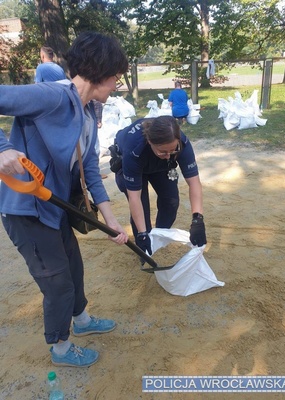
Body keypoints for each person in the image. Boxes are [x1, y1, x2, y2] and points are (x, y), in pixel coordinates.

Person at [0, 31, 129, 368]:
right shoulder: (52, 96)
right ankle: (59, 348)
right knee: (57, 283)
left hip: (54, 206)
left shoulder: (87, 115)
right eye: (115, 77)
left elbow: (88, 168)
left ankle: (83, 321)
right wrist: (2, 148)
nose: (116, 85)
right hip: (27, 210)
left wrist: (111, 220)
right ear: (101, 73)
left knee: (73, 266)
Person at [110, 115, 206, 260]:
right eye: (163, 151)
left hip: (160, 167)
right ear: (150, 142)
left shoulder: (182, 144)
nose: (168, 156)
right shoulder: (134, 149)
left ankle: (157, 238)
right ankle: (144, 248)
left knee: (171, 202)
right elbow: (134, 197)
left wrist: (197, 220)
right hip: (133, 163)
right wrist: (142, 234)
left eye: (172, 150)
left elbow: (194, 183)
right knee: (142, 210)